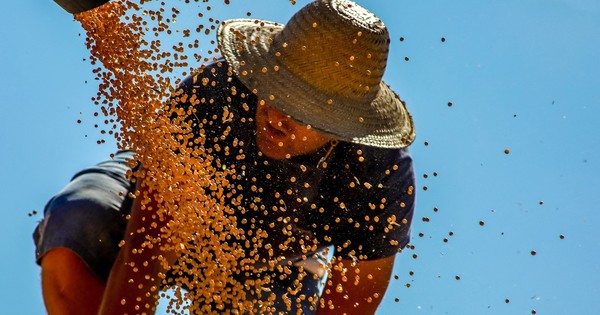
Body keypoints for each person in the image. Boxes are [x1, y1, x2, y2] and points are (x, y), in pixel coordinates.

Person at [34, 0, 417, 314]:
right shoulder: (214, 95)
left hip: (274, 263)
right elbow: (144, 247)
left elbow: (347, 308)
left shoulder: (379, 179)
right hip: (166, 209)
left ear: (342, 125)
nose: (278, 116)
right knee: (79, 219)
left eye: (304, 111)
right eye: (276, 89)